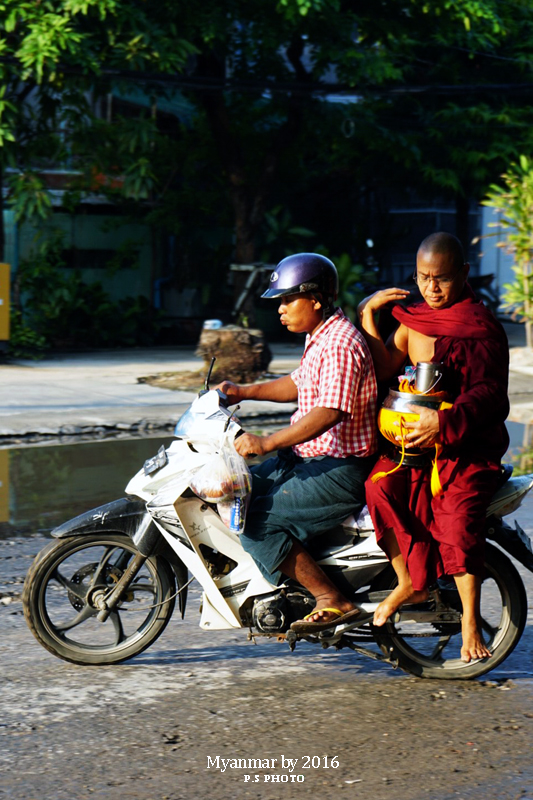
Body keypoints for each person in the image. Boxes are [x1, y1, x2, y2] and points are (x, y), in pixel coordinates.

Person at [358, 232, 510, 662]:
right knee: (378, 490)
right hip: (417, 449)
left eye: (441, 278)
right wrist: (369, 315)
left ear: (462, 273)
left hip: (466, 448)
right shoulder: (414, 321)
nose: (432, 288)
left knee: (457, 519)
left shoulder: (480, 327)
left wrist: (443, 422)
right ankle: (410, 580)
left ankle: (468, 622)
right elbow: (386, 364)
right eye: (423, 278)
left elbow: (490, 395)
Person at [216, 252, 378, 633]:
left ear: (316, 298)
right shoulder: (321, 336)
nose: (281, 310)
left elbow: (329, 412)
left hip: (339, 468)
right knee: (239, 490)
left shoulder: (339, 343)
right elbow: (298, 384)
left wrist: (268, 441)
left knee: (253, 522)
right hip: (311, 458)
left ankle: (331, 598)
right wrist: (242, 390)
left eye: (288, 300)